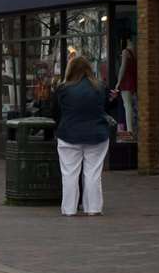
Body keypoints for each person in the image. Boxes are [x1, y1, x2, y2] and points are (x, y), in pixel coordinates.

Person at [53, 54, 111, 217]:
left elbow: (55, 113)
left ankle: (69, 209)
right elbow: (106, 107)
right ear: (89, 70)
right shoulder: (100, 87)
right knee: (93, 173)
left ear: (70, 70)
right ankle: (93, 208)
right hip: (97, 134)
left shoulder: (63, 89)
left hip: (69, 134)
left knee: (69, 173)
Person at [114, 48, 137, 137]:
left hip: (126, 81)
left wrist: (118, 82)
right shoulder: (134, 52)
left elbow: (123, 67)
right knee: (130, 105)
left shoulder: (125, 52)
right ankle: (132, 129)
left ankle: (130, 131)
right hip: (132, 80)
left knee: (127, 105)